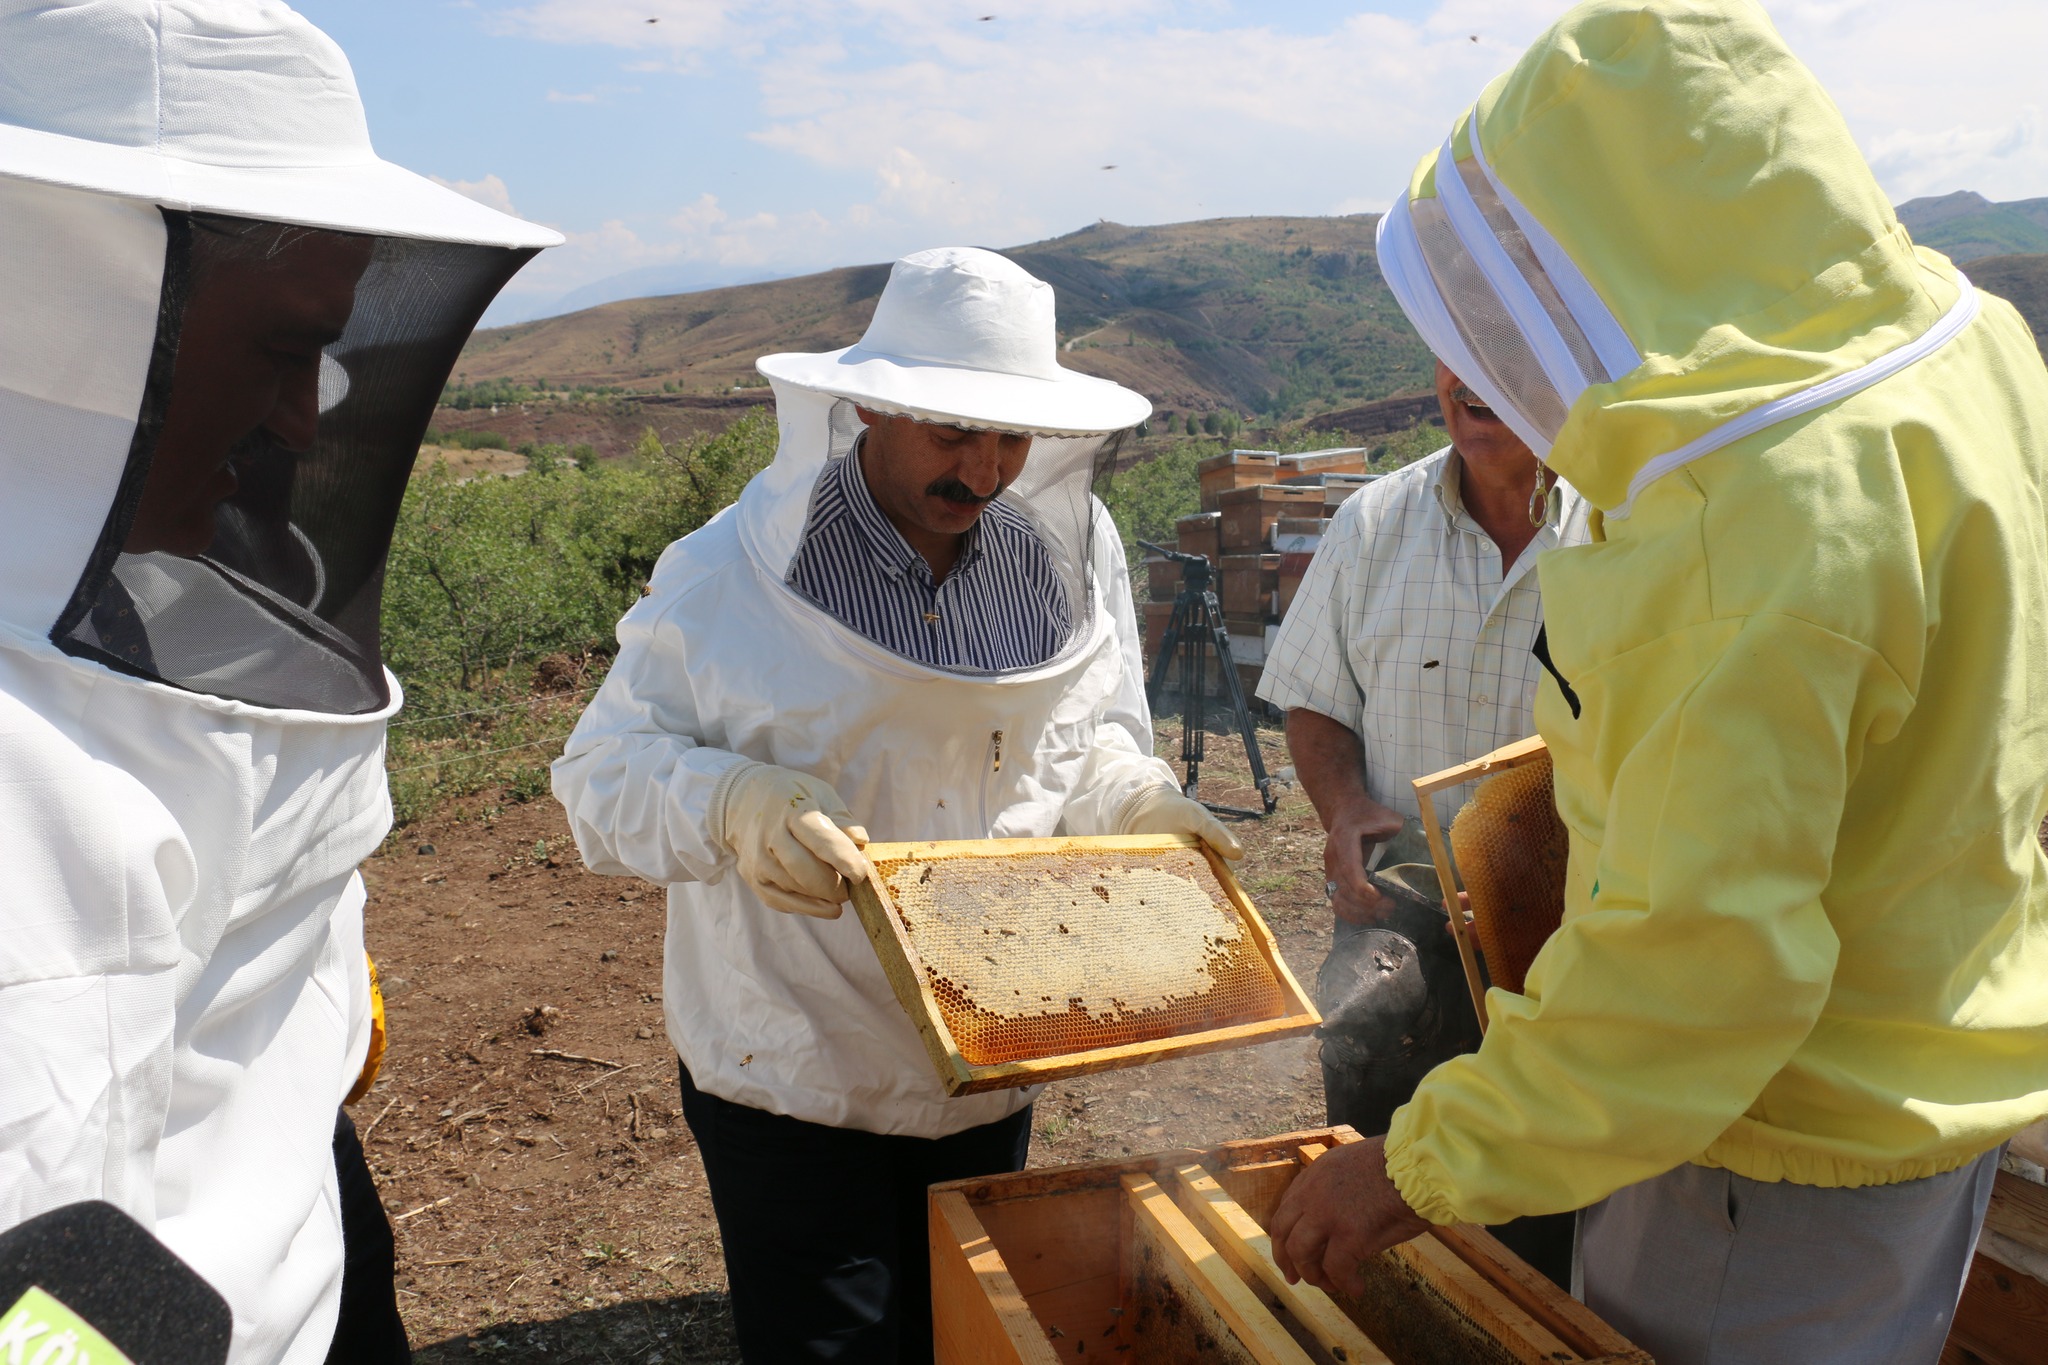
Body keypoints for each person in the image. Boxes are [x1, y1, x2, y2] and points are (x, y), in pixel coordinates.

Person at [1268, 2, 2048, 1361]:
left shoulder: (1733, 525)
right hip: (1931, 1082)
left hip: (1760, 1159)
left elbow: (1700, 977)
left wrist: (1412, 1165)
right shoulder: (1976, 354)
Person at [552, 246, 1243, 1363]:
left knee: (971, 1337)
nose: (984, 470)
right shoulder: (724, 573)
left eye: (1011, 437)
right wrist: (731, 800)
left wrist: (1138, 802)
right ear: (868, 404)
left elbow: (1089, 735)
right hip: (792, 1068)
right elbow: (598, 778)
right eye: (950, 433)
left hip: (988, 1059)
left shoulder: (1069, 557)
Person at [0, 2, 558, 1361]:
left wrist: (301, 994)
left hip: (303, 1237)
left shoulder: (169, 602)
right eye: (278, 345)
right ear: (73, 308)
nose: (308, 419)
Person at [1256, 356, 1590, 1283]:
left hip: (1562, 962)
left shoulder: (1626, 530)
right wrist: (1344, 806)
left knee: (1535, 1245)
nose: (1473, 378)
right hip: (1393, 930)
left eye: (1505, 352)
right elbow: (1315, 699)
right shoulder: (1374, 521)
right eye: (1455, 350)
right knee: (1370, 1194)